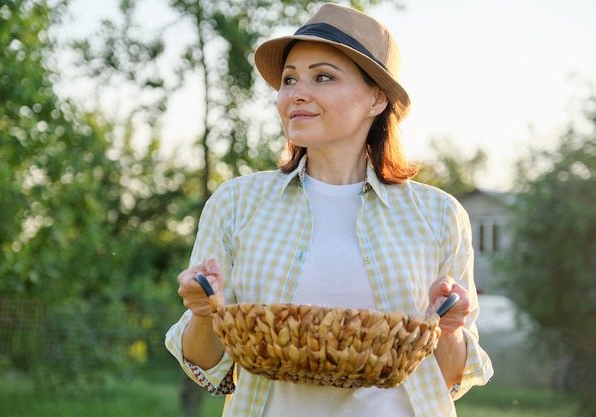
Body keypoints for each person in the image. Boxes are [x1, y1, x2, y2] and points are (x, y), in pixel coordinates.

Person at [165, 3, 493, 416]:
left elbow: (448, 381)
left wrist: (449, 327)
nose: (296, 93)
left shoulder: (438, 215)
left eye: (323, 76)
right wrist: (201, 311)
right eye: (289, 79)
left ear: (376, 98)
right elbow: (209, 366)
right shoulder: (236, 204)